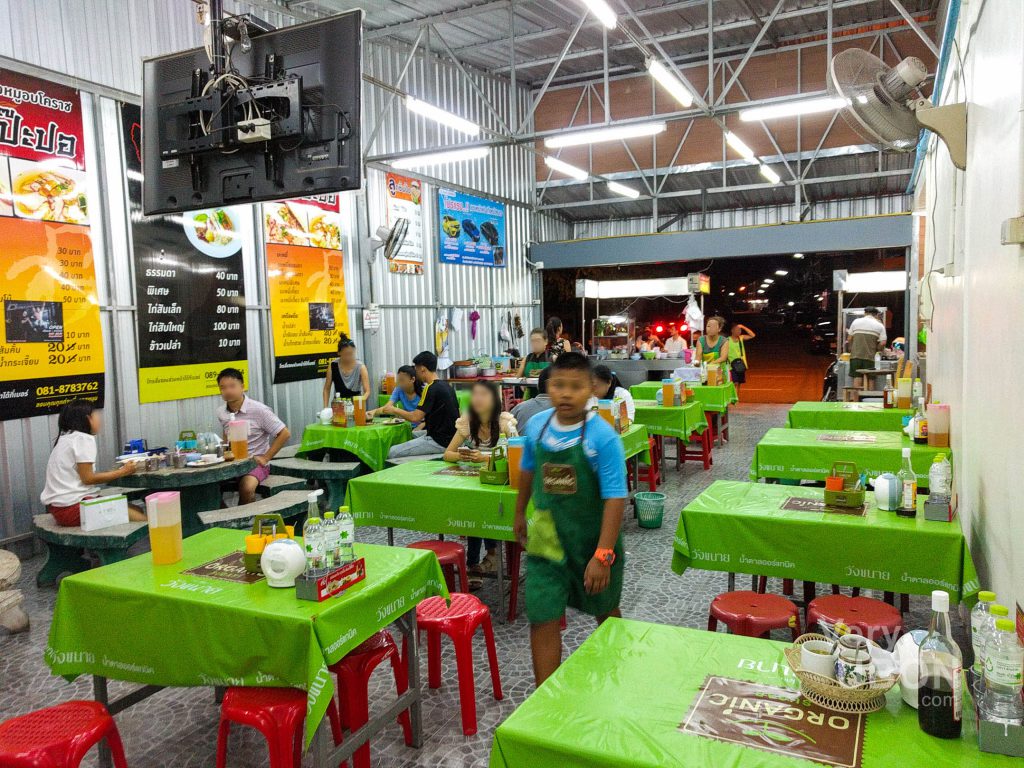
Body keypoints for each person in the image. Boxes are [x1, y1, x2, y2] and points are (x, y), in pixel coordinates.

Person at [513, 352, 627, 686]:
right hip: (547, 543)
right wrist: (520, 512)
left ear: (591, 390)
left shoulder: (603, 438)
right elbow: (528, 470)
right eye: (559, 385)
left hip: (593, 541)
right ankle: (544, 698)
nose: (566, 393)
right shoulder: (537, 426)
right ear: (548, 385)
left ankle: (615, 682)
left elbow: (616, 497)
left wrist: (603, 556)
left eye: (575, 387)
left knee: (605, 612)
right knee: (543, 615)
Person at [443, 381, 518, 586]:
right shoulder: (467, 422)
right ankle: (477, 561)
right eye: (474, 394)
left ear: (495, 400)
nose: (477, 399)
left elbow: (517, 453)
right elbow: (447, 454)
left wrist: (483, 459)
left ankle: (485, 557)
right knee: (473, 511)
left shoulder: (505, 423)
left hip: (500, 483)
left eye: (483, 394)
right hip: (477, 482)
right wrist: (465, 456)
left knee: (483, 511)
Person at [40, 400, 146, 526]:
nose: (100, 420)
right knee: (143, 520)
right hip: (72, 508)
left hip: (61, 508)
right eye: (96, 415)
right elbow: (88, 478)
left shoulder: (66, 439)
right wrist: (123, 471)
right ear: (88, 419)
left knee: (136, 509)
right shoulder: (83, 439)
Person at [216, 368, 291, 504]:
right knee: (209, 486)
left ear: (242, 387)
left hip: (254, 463)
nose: (227, 391)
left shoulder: (259, 410)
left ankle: (246, 522)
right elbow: (226, 434)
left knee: (246, 487)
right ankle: (223, 517)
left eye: (232, 386)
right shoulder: (222, 412)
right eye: (223, 388)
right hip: (232, 463)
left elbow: (284, 433)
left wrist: (266, 457)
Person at [385, 351, 460, 459]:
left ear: (422, 369)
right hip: (453, 438)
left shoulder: (430, 388)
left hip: (440, 441)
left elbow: (415, 417)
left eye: (416, 370)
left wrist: (394, 410)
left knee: (392, 451)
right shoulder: (446, 386)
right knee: (408, 434)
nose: (415, 373)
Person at [323, 333, 370, 407]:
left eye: (351, 354)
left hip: (356, 403)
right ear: (339, 353)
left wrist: (360, 401)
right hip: (338, 403)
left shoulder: (360, 367)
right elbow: (326, 389)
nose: (348, 357)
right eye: (345, 354)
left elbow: (367, 391)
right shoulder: (333, 365)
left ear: (354, 351)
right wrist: (325, 408)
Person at [847, 307, 887, 385]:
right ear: (876, 315)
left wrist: (851, 349)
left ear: (865, 313)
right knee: (870, 379)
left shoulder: (856, 321)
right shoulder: (879, 325)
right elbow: (883, 343)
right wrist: (878, 350)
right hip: (870, 357)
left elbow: (849, 338)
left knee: (857, 377)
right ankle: (869, 396)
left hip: (855, 356)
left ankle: (856, 397)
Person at [727, 322, 756, 389]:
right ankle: (733, 398)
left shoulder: (741, 338)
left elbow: (752, 335)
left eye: (740, 330)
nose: (739, 331)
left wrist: (743, 326)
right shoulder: (727, 340)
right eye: (737, 330)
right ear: (732, 330)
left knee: (739, 383)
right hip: (731, 366)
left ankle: (736, 397)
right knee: (735, 383)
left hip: (740, 365)